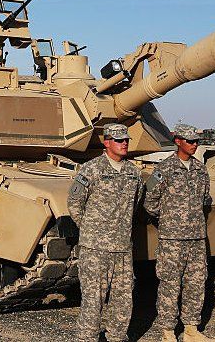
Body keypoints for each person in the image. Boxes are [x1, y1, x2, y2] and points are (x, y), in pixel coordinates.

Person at [67, 123, 144, 342]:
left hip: (122, 248)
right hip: (95, 248)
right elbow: (74, 202)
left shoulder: (133, 172)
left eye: (126, 140)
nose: (124, 143)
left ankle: (117, 338)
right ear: (107, 142)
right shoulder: (91, 169)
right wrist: (91, 229)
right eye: (119, 140)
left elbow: (136, 204)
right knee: (93, 300)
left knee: (123, 299)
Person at [144, 124, 215, 342]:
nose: (194, 145)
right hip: (172, 238)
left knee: (196, 282)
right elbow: (150, 202)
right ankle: (167, 330)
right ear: (178, 141)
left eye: (196, 142)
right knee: (170, 283)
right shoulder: (163, 169)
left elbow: (205, 200)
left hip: (196, 237)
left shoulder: (200, 169)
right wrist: (168, 220)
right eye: (190, 141)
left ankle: (191, 330)